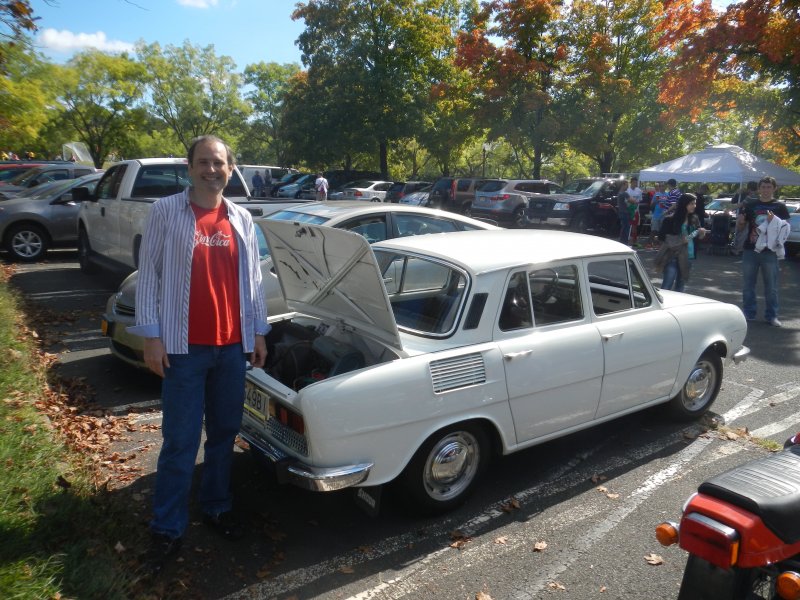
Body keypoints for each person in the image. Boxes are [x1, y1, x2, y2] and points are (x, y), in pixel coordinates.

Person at [129, 135, 269, 575]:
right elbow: (148, 275)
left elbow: (255, 283)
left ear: (231, 168)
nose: (212, 169)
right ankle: (167, 528)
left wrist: (259, 333)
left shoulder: (242, 218)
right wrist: (152, 335)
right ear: (189, 167)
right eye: (204, 162)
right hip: (183, 350)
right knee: (180, 441)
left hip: (231, 349)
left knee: (225, 433)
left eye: (220, 163)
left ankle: (216, 506)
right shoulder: (166, 212)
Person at [737, 176, 790, 326]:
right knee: (748, 285)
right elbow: (742, 227)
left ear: (774, 189)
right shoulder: (751, 204)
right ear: (759, 189)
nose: (766, 190)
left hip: (770, 251)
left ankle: (772, 315)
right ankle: (748, 313)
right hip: (750, 249)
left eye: (769, 187)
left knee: (771, 286)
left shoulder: (780, 206)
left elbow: (786, 229)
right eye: (763, 187)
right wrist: (740, 223)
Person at [654, 193, 707, 292]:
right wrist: (680, 239)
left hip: (688, 256)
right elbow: (661, 237)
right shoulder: (670, 219)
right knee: (667, 285)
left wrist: (701, 234)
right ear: (684, 204)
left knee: (680, 286)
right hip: (672, 256)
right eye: (691, 203)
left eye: (695, 204)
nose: (694, 206)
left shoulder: (694, 218)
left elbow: (698, 237)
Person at [648, 183, 668, 248]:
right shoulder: (656, 194)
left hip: (664, 215)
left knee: (662, 230)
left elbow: (669, 204)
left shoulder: (667, 194)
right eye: (661, 186)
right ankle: (650, 243)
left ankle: (660, 244)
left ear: (665, 187)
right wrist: (655, 202)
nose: (662, 187)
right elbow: (651, 205)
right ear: (659, 187)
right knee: (654, 230)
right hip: (656, 214)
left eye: (663, 186)